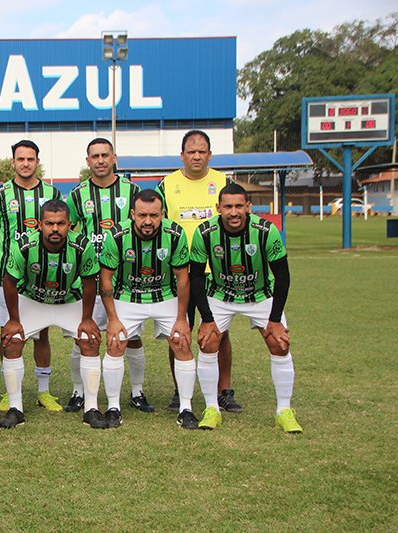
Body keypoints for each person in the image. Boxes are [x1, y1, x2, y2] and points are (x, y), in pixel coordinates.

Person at [189, 183, 302, 434]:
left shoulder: (266, 231)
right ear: (218, 208)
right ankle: (211, 409)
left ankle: (284, 411)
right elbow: (195, 276)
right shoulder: (204, 232)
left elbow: (282, 276)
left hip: (260, 294)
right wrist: (207, 319)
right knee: (208, 342)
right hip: (220, 294)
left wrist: (274, 320)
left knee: (280, 343)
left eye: (239, 206)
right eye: (228, 206)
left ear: (248, 207)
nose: (233, 212)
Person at [99, 190, 199, 430]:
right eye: (142, 215)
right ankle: (113, 407)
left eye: (154, 216)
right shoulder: (117, 236)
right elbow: (106, 279)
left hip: (164, 295)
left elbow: (183, 279)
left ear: (162, 214)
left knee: (182, 343)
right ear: (132, 214)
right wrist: (112, 318)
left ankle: (186, 408)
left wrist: (181, 318)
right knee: (115, 343)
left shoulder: (175, 234)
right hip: (128, 295)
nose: (147, 221)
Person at [156, 130, 240, 413]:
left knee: (219, 331)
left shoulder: (223, 183)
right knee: (179, 331)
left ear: (210, 155)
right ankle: (180, 391)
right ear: (182, 155)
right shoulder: (166, 185)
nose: (196, 156)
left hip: (213, 273)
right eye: (191, 152)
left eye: (202, 151)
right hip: (179, 272)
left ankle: (224, 391)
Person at [65, 138, 149, 414]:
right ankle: (79, 392)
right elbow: (69, 232)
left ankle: (137, 391)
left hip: (125, 279)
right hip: (88, 278)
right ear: (87, 161)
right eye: (95, 156)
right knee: (83, 336)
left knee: (130, 337)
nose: (100, 160)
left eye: (105, 155)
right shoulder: (77, 195)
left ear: (114, 158)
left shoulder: (132, 191)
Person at [0, 200, 101, 428]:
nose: (55, 229)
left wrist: (87, 319)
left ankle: (91, 408)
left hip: (68, 299)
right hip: (33, 299)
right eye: (49, 223)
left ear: (70, 225)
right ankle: (15, 408)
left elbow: (89, 283)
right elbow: (9, 281)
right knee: (12, 340)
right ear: (39, 225)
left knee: (89, 340)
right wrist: (14, 320)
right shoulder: (24, 245)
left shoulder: (82, 245)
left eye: (61, 223)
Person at [0, 140, 64, 413]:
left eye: (30, 159)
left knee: (41, 334)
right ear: (13, 162)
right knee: (8, 334)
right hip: (8, 275)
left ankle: (44, 392)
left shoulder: (51, 192)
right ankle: (9, 392)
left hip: (41, 276)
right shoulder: (0, 194)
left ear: (37, 162)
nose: (25, 164)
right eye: (20, 159)